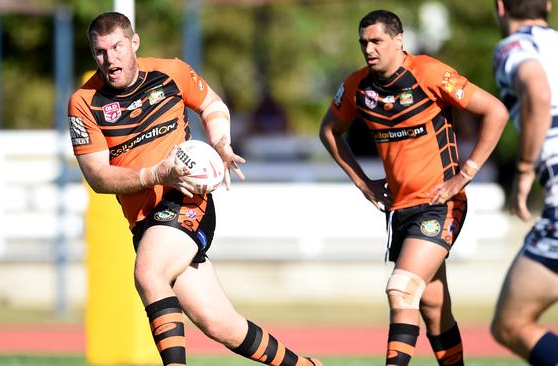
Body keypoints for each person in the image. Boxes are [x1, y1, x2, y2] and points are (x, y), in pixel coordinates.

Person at [67, 12, 322, 366]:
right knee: (221, 325)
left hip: (187, 199)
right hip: (147, 220)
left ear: (134, 43)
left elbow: (212, 105)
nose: (110, 60)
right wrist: (156, 174)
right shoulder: (84, 101)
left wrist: (220, 142)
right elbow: (96, 176)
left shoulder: (171, 73)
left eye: (117, 47)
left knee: (149, 273)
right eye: (100, 52)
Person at [319, 9, 509, 366]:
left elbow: (496, 111)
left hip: (441, 204)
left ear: (398, 40)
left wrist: (465, 173)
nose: (369, 49)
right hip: (400, 210)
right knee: (435, 309)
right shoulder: (358, 86)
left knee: (401, 289)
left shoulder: (429, 73)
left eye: (376, 41)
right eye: (364, 43)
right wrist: (363, 183)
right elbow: (329, 131)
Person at [490, 1, 558, 365]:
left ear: (500, 7)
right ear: (548, 5)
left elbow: (538, 89)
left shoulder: (514, 47)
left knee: (511, 324)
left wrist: (525, 168)